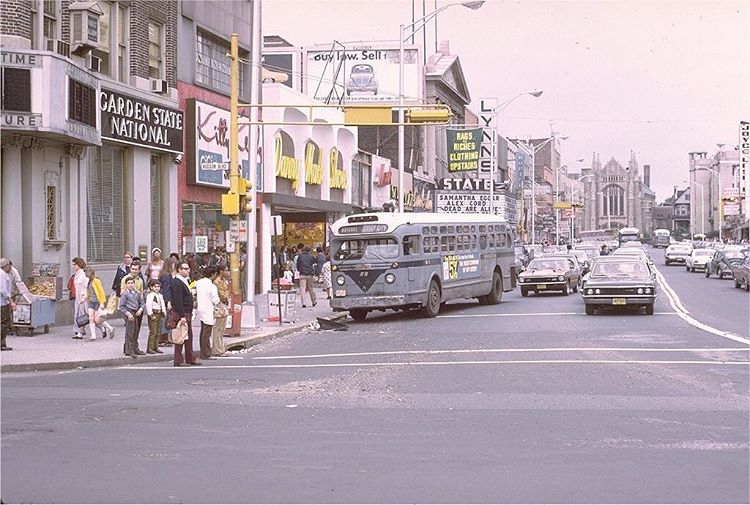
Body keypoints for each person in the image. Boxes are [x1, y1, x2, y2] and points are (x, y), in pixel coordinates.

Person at [170, 261, 200, 367]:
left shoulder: (185, 280)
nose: (187, 271)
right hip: (182, 313)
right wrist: (182, 315)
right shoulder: (177, 282)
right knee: (181, 336)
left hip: (188, 312)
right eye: (185, 269)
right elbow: (178, 300)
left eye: (188, 269)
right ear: (179, 269)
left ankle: (190, 358)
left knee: (188, 336)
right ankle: (178, 360)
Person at [195, 266, 221, 360]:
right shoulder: (211, 286)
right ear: (213, 274)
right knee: (207, 333)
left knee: (203, 332)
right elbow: (216, 300)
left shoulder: (198, 283)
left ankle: (203, 352)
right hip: (208, 309)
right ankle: (206, 353)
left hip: (200, 308)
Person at [83, 266, 113, 341]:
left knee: (97, 320)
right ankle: (93, 335)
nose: (85, 274)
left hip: (97, 302)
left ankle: (110, 328)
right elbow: (88, 291)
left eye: (86, 272)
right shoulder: (88, 281)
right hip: (91, 302)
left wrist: (102, 302)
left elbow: (101, 291)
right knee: (91, 318)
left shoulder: (96, 280)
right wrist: (85, 298)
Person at [118, 276, 145, 358]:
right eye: (128, 283)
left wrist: (140, 309)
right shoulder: (125, 294)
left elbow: (142, 303)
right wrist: (128, 314)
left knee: (136, 330)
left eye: (132, 283)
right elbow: (121, 306)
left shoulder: (137, 293)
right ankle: (129, 350)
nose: (130, 285)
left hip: (136, 312)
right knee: (130, 331)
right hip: (129, 312)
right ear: (126, 285)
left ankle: (135, 348)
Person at [212, 266, 230, 357]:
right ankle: (217, 350)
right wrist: (226, 297)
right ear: (221, 271)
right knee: (218, 329)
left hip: (224, 304)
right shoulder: (216, 282)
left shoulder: (223, 281)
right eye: (226, 270)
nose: (228, 272)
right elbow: (222, 295)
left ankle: (220, 349)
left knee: (222, 329)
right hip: (219, 305)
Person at [158, 257, 176, 347]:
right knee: (166, 319)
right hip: (165, 299)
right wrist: (168, 301)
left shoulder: (163, 274)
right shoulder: (167, 275)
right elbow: (167, 289)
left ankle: (164, 338)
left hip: (163, 298)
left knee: (165, 319)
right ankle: (163, 339)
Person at [145, 279, 166, 354]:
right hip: (154, 313)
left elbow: (162, 304)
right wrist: (150, 314)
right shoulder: (150, 296)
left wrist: (164, 312)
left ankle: (155, 346)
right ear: (151, 287)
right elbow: (148, 305)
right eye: (155, 286)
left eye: (158, 286)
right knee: (153, 331)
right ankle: (150, 347)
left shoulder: (160, 295)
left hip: (160, 314)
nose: (157, 288)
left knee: (158, 332)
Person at [1, 257, 17, 351]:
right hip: (2, 302)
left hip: (2, 301)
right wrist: (11, 301)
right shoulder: (2, 274)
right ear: (6, 266)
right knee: (5, 322)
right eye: (9, 266)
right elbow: (3, 290)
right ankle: (1, 343)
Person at [71, 257, 88, 339]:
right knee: (78, 314)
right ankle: (79, 331)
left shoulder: (83, 274)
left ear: (79, 264)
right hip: (77, 297)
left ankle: (80, 332)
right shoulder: (77, 274)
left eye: (75, 265)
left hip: (82, 296)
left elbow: (86, 286)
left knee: (83, 315)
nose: (73, 266)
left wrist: (84, 296)